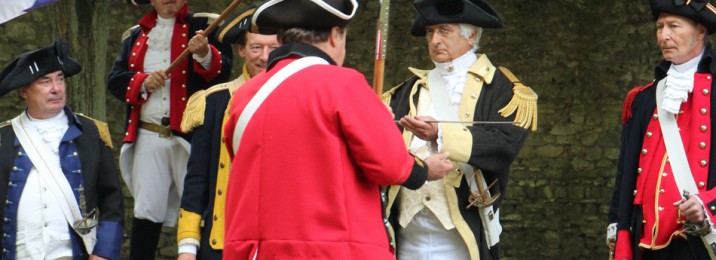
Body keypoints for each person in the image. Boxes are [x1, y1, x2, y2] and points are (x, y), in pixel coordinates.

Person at [221, 0, 455, 259]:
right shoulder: (344, 84)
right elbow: (389, 164)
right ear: (335, 35)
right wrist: (422, 170)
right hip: (329, 250)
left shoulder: (246, 95)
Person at [382, 0, 537, 259]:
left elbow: (503, 146)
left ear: (472, 35)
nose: (434, 40)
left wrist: (440, 134)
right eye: (430, 32)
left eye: (444, 31)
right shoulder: (407, 90)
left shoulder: (502, 88)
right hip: (406, 233)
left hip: (462, 232)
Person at [106, 0, 233, 258]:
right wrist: (142, 81)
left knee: (199, 207)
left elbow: (224, 73)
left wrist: (204, 53)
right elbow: (115, 80)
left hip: (191, 136)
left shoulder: (207, 26)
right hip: (147, 134)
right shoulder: (135, 35)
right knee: (146, 212)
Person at [607, 1, 716, 259]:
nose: (664, 36)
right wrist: (616, 225)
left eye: (673, 26)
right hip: (646, 243)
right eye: (659, 27)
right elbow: (625, 175)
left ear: (700, 31)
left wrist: (708, 205)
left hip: (699, 242)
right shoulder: (643, 99)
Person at [0, 40, 124, 259]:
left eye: (59, 79)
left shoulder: (91, 132)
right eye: (45, 81)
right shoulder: (4, 137)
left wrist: (104, 253)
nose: (56, 88)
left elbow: (111, 199)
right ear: (23, 91)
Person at [176, 5, 279, 260]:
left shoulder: (299, 101)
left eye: (273, 49)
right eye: (256, 47)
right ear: (241, 50)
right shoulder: (213, 102)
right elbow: (197, 180)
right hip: (221, 244)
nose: (264, 57)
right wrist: (187, 247)